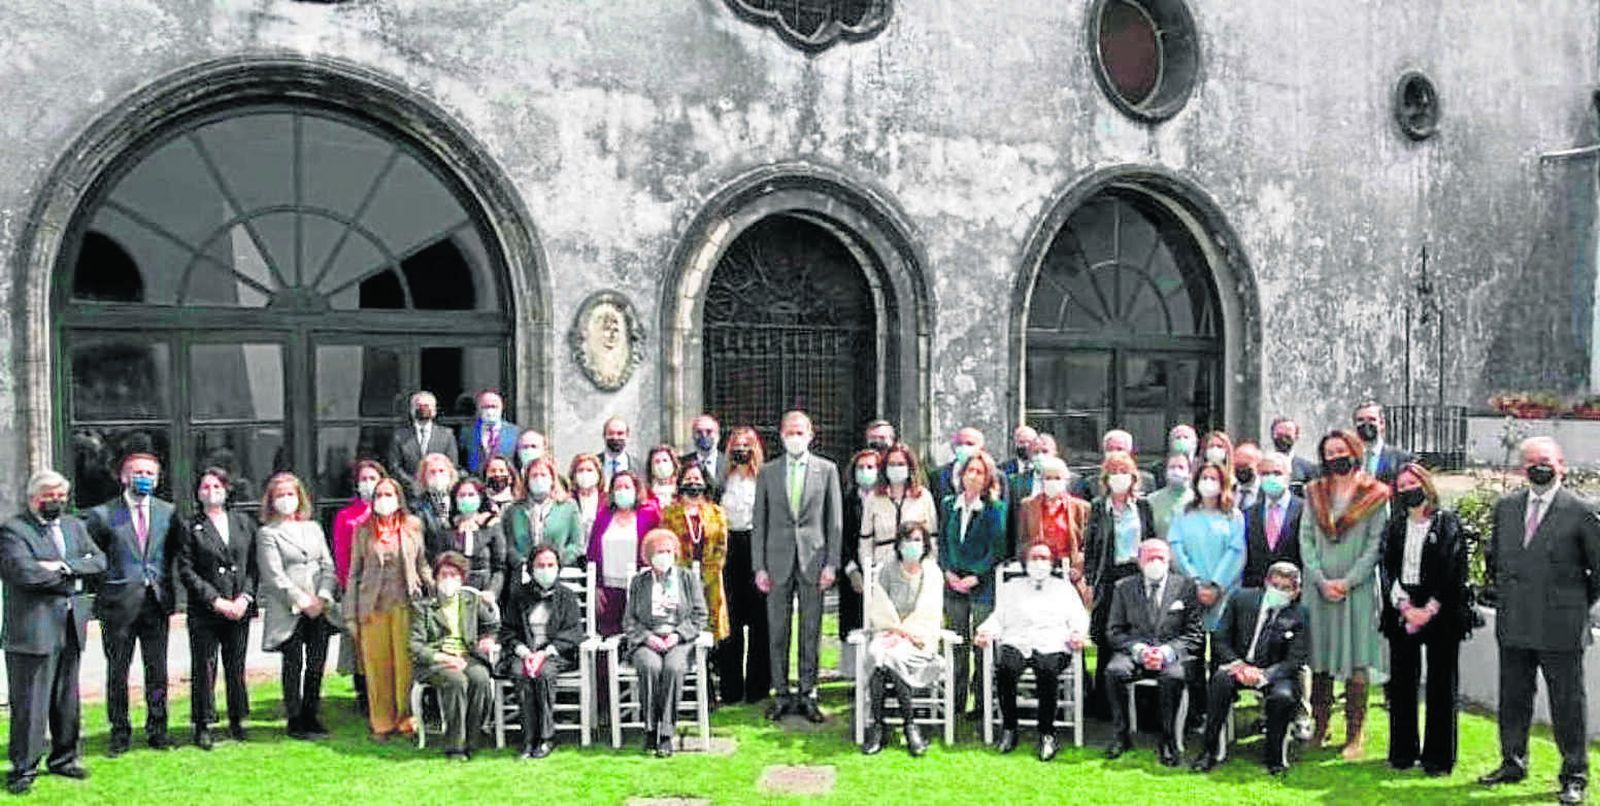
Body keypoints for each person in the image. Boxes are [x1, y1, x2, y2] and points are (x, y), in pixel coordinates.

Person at [1478, 437, 1600, 805]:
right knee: (1513, 698)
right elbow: (1494, 559)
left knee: (1567, 703)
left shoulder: (1581, 510)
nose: (1538, 467)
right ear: (1522, 468)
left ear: (1561, 464)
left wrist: (1575, 604)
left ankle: (1574, 775)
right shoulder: (1507, 507)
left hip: (1561, 626)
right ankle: (1512, 762)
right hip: (1515, 622)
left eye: (1545, 460)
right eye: (1531, 461)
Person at [0, 471, 105, 794]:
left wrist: (60, 567)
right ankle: (23, 768)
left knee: (66, 698)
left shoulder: (74, 526)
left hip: (70, 625)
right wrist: (72, 573)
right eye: (49, 496)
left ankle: (64, 758)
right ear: (34, 498)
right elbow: (25, 573)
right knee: (30, 703)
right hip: (32, 630)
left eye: (61, 496)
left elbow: (99, 561)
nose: (56, 501)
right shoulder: (13, 530)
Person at [1300, 429, 1390, 760]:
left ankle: (1355, 734)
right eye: (1329, 453)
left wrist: (1348, 581)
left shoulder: (1376, 494)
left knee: (1357, 662)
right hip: (1318, 589)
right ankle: (1320, 726)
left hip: (1358, 591)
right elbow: (1306, 538)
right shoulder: (1314, 493)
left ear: (1354, 452)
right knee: (1319, 660)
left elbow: (1375, 544)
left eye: (1341, 450)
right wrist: (1321, 579)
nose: (1336, 457)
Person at [85, 451, 179, 755]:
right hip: (118, 606)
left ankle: (158, 729)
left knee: (157, 670)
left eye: (150, 473)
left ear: (158, 479)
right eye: (138, 472)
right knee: (118, 671)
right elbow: (93, 559)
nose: (144, 478)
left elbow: (173, 553)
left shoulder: (168, 512)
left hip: (155, 602)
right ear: (124, 477)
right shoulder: (103, 515)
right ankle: (120, 731)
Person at [1381, 462, 1469, 777]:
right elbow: (1387, 566)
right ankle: (1403, 753)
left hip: (1441, 609)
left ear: (1426, 485)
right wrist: (1405, 607)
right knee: (1402, 683)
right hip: (1403, 605)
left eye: (1412, 483)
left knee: (1441, 684)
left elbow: (1453, 568)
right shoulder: (1395, 526)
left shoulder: (1447, 523)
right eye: (1402, 486)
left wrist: (1428, 610)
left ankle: (1438, 758)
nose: (1408, 490)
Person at [754, 410, 842, 723]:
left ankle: (808, 693)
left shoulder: (827, 470)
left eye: (800, 432)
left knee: (811, 631)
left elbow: (834, 522)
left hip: (813, 561)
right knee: (777, 631)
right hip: (776, 561)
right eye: (789, 432)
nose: (795, 437)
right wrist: (759, 566)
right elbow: (759, 521)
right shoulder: (768, 472)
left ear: (811, 435)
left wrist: (831, 563)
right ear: (781, 436)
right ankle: (780, 692)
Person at [1190, 562, 1310, 775]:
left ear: (1296, 592)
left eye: (1286, 588)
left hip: (1274, 672)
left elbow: (1296, 659)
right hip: (1238, 665)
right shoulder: (1240, 599)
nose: (1279, 592)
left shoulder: (1299, 614)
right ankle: (1209, 751)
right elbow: (1220, 638)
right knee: (1219, 682)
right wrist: (1239, 666)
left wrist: (1264, 675)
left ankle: (1274, 758)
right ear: (1266, 583)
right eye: (1275, 585)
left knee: (1282, 697)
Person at [975, 541, 1089, 762]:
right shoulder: (1012, 588)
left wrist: (1077, 633)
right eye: (1034, 558)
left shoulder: (1064, 588)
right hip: (1018, 640)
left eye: (1044, 558)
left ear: (1052, 562)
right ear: (1025, 562)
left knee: (1047, 670)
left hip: (1053, 642)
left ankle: (1047, 733)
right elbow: (998, 618)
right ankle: (1009, 728)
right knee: (1006, 668)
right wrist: (986, 631)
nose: (1039, 563)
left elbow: (1078, 616)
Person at [176, 467, 258, 750]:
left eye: (217, 487)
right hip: (206, 610)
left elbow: (253, 566)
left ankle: (237, 719)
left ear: (227, 490)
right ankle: (203, 723)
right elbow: (186, 570)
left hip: (239, 607)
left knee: (236, 665)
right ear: (198, 493)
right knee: (204, 666)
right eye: (206, 487)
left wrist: (245, 598)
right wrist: (215, 600)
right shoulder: (189, 526)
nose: (212, 492)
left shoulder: (244, 522)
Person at [345, 477, 432, 740]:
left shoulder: (413, 525)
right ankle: (381, 722)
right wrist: (350, 614)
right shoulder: (362, 530)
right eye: (379, 495)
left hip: (405, 604)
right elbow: (354, 573)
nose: (384, 500)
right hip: (372, 608)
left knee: (405, 666)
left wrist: (435, 586)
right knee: (377, 667)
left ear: (399, 498)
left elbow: (421, 564)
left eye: (389, 494)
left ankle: (406, 719)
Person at [1103, 539, 1203, 766]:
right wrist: (1139, 651)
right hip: (1135, 651)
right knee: (1114, 672)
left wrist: (1166, 652)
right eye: (1150, 558)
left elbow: (1194, 634)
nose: (1155, 562)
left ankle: (1168, 740)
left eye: (1161, 558)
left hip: (1171, 653)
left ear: (1169, 561)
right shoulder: (1123, 587)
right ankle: (1121, 735)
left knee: (1173, 677)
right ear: (1139, 561)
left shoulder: (1186, 587)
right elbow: (1114, 631)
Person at [256, 472, 337, 740]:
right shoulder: (267, 533)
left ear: (299, 497)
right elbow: (273, 575)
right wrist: (302, 601)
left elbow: (328, 565)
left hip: (319, 606)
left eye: (290, 494)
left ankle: (312, 714)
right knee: (293, 664)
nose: (286, 499)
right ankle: (294, 718)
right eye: (280, 495)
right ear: (271, 500)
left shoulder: (313, 528)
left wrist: (322, 597)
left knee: (316, 663)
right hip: (290, 609)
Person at [1167, 459, 1247, 728]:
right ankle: (1195, 711)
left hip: (1225, 594)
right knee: (1193, 654)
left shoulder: (1234, 515)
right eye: (1204, 478)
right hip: (1191, 593)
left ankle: (1219, 712)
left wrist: (1216, 585)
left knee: (1222, 655)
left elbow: (1236, 552)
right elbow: (1177, 548)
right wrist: (1196, 584)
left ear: (1223, 483)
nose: (1208, 484)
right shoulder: (1183, 513)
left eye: (1214, 478)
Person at [859, 522, 944, 757]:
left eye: (917, 540)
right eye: (907, 540)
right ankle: (886, 726)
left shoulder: (932, 573)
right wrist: (897, 632)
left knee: (890, 658)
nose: (912, 545)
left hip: (919, 638)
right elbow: (880, 606)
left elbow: (930, 611)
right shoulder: (888, 569)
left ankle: (904, 725)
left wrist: (907, 635)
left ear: (925, 544)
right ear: (899, 544)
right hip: (889, 632)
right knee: (879, 655)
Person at [1083, 450, 1158, 713]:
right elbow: (1091, 548)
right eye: (1113, 472)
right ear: (1105, 478)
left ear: (1133, 476)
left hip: (1136, 575)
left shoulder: (1143, 506)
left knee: (1139, 633)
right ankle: (1103, 702)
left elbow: (1151, 540)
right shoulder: (1098, 507)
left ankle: (1143, 702)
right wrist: (1089, 582)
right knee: (1107, 635)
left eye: (1123, 471)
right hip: (1108, 577)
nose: (1118, 476)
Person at [624, 529, 709, 757]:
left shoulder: (687, 579)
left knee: (673, 668)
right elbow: (629, 620)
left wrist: (678, 635)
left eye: (668, 551)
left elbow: (700, 614)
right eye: (659, 552)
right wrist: (647, 637)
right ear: (649, 556)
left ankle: (666, 733)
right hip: (647, 640)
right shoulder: (639, 582)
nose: (664, 556)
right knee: (650, 666)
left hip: (678, 641)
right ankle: (650, 729)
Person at [410, 551, 499, 760]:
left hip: (467, 655)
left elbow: (491, 625)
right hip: (437, 660)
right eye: (444, 575)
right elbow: (416, 646)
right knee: (457, 681)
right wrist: (446, 658)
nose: (449, 580)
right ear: (436, 577)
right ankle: (455, 746)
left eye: (454, 575)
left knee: (480, 679)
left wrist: (488, 639)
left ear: (462, 578)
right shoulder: (423, 607)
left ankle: (473, 739)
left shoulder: (471, 600)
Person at [498, 544, 584, 759]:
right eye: (540, 565)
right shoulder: (518, 595)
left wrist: (544, 654)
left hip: (554, 654)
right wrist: (525, 653)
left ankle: (546, 737)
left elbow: (574, 632)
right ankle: (528, 738)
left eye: (550, 565)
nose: (546, 570)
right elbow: (508, 630)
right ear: (531, 568)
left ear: (558, 567)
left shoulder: (567, 596)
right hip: (524, 653)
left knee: (543, 674)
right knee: (521, 673)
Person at [938, 448, 1007, 718]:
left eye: (980, 472)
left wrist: (976, 576)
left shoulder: (995, 509)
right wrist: (948, 572)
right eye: (970, 471)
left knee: (981, 645)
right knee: (956, 644)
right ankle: (955, 701)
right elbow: (942, 542)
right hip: (952, 583)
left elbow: (997, 548)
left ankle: (981, 703)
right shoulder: (948, 504)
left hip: (982, 585)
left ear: (988, 477)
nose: (974, 476)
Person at [660, 462, 730, 697]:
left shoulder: (717, 513)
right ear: (680, 483)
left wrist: (704, 579)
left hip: (711, 584)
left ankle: (708, 688)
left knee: (709, 634)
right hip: (680, 584)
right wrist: (687, 580)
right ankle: (686, 691)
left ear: (705, 482)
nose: (693, 483)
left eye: (697, 479)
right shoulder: (669, 514)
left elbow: (721, 549)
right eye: (688, 479)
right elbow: (666, 546)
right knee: (683, 632)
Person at [719, 427, 770, 704]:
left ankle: (758, 687)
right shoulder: (722, 480)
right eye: (736, 445)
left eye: (746, 446)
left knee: (760, 620)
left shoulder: (763, 479)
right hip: (728, 548)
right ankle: (730, 687)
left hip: (756, 546)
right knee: (731, 620)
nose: (741, 450)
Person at [333, 459, 384, 713]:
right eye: (363, 479)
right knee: (360, 644)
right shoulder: (346, 516)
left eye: (373, 478)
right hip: (358, 587)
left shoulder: (390, 512)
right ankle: (364, 694)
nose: (368, 483)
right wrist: (349, 588)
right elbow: (342, 555)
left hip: (387, 589)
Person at [588, 471, 661, 637]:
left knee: (639, 635)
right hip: (608, 590)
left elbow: (657, 548)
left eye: (627, 487)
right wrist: (596, 587)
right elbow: (592, 552)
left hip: (640, 588)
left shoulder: (649, 515)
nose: (622, 491)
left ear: (636, 490)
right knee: (609, 636)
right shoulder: (604, 516)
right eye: (618, 487)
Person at [1012, 455, 1090, 597]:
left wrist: (1079, 567)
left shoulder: (1081, 508)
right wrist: (1032, 564)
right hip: (1038, 571)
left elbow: (1087, 545)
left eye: (1057, 478)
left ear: (1066, 481)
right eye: (1048, 478)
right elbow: (1022, 541)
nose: (1052, 482)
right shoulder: (1027, 506)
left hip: (1070, 573)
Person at [860, 443, 939, 574]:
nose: (896, 468)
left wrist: (929, 568)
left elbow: (932, 538)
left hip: (916, 569)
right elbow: (865, 541)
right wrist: (869, 570)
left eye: (901, 464)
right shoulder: (873, 498)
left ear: (910, 467)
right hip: (882, 569)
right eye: (892, 464)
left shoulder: (923, 496)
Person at [503, 457, 583, 570]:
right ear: (527, 480)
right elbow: (509, 545)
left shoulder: (569, 507)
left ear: (552, 479)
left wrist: (555, 562)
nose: (539, 479)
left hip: (559, 570)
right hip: (522, 572)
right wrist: (525, 565)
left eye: (543, 475)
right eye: (534, 475)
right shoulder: (513, 510)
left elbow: (576, 544)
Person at [1242, 452, 1304, 589]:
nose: (1271, 478)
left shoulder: (1304, 511)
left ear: (1289, 476)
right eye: (1265, 474)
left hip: (1294, 592)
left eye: (1277, 473)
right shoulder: (1249, 513)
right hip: (1257, 591)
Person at [443, 477, 506, 607]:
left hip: (484, 594)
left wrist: (492, 592)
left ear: (480, 497)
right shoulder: (448, 528)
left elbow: (499, 567)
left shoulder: (492, 526)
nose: (466, 498)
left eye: (471, 495)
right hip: (454, 593)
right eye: (462, 495)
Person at [389, 391, 459, 494]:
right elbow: (395, 467)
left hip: (440, 492)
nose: (422, 409)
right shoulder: (399, 436)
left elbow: (452, 464)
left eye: (426, 406)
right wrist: (414, 484)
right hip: (409, 493)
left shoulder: (447, 435)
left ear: (434, 411)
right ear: (412, 410)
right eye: (418, 406)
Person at [1071, 429, 1154, 500]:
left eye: (1119, 449)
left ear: (1130, 452)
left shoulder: (1148, 481)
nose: (1114, 453)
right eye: (1110, 449)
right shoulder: (1091, 483)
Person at [931, 427, 1008, 503]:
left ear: (981, 448)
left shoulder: (997, 477)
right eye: (959, 444)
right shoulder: (938, 476)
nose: (963, 447)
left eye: (969, 444)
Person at [1353, 400, 1412, 490]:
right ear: (1354, 425)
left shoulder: (1401, 458)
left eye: (1371, 419)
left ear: (1382, 424)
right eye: (1360, 420)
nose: (1366, 424)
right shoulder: (1348, 458)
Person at [459, 389, 520, 475]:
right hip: (476, 480)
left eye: (494, 406)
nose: (490, 411)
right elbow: (462, 461)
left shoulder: (514, 432)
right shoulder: (467, 433)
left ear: (502, 407)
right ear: (479, 408)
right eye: (485, 407)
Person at [413, 453, 459, 559]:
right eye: (432, 472)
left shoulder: (460, 498)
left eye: (441, 471)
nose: (437, 475)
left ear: (450, 473)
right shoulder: (417, 507)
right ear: (423, 477)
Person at [1146, 453, 1192, 541]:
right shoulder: (1151, 501)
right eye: (1172, 467)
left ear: (1189, 473)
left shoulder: (1197, 500)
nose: (1176, 471)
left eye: (1181, 467)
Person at [681, 415, 727, 498]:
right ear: (693, 436)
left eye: (709, 431)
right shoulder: (681, 463)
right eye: (699, 432)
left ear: (718, 435)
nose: (704, 435)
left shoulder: (729, 463)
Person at [1270, 416, 1318, 494]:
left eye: (1288, 436)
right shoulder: (1262, 465)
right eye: (1279, 435)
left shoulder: (1308, 469)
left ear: (1296, 437)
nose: (1283, 439)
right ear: (1272, 435)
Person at [569, 453, 606, 540]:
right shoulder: (568, 500)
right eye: (580, 470)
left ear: (598, 474)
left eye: (589, 470)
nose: (585, 474)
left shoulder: (608, 500)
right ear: (574, 475)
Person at [599, 416, 640, 486]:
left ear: (627, 436)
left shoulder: (639, 466)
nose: (615, 437)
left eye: (620, 433)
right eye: (611, 433)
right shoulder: (595, 463)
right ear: (604, 435)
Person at [1233, 441, 1262, 512]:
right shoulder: (1228, 490)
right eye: (1237, 466)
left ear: (1258, 465)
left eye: (1245, 465)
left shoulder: (1264, 491)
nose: (1241, 470)